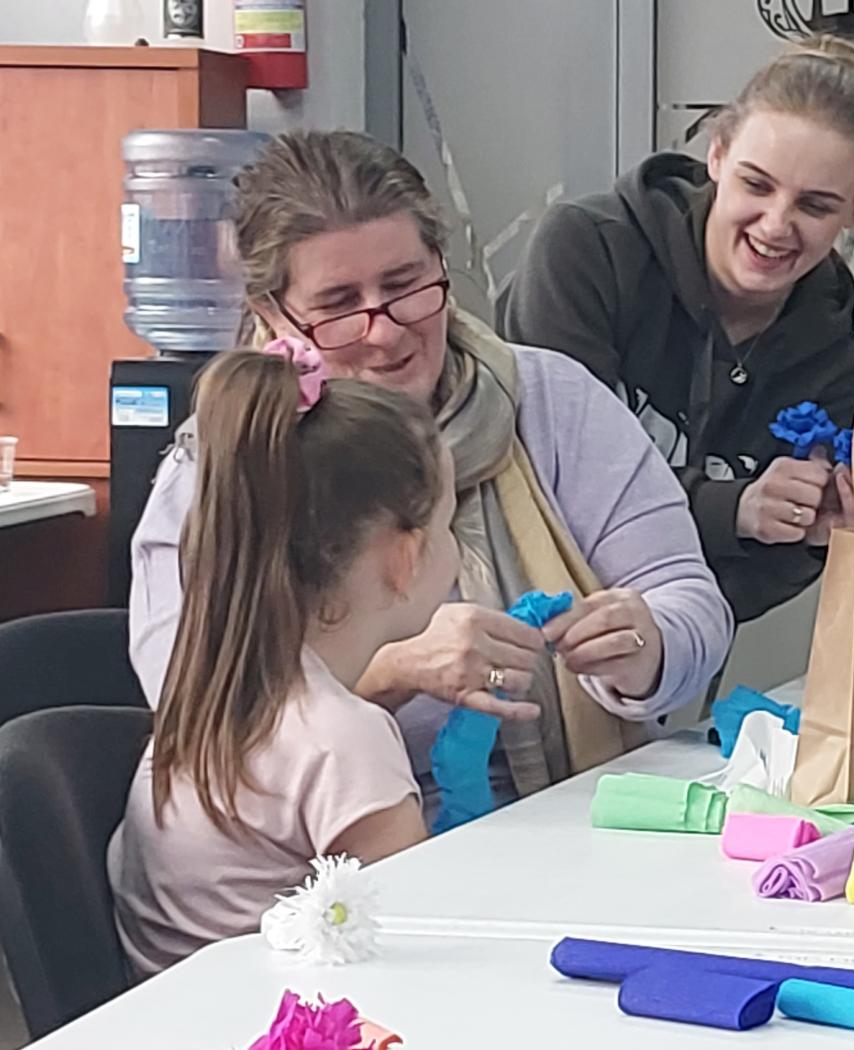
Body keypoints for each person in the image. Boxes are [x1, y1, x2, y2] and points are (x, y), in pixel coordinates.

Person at [128, 131, 733, 826]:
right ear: (273, 315)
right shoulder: (223, 463)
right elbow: (201, 722)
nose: (385, 332)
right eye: (339, 304)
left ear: (441, 265)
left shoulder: (550, 401)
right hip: (336, 850)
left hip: (568, 814)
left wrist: (648, 645)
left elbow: (690, 600)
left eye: (405, 286)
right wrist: (388, 676)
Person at [499, 36, 854, 623]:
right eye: (756, 185)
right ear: (717, 155)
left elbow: (750, 588)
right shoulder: (589, 251)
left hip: (676, 649)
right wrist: (733, 510)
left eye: (815, 206)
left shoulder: (838, 368)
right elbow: (550, 483)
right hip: (517, 623)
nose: (775, 225)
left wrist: (812, 536)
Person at [110, 345, 456, 975]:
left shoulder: (206, 700)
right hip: (273, 1016)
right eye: (448, 526)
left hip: (180, 1012)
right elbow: (413, 957)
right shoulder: (343, 741)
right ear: (404, 558)